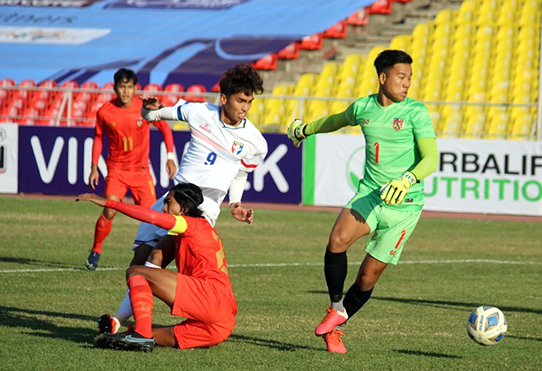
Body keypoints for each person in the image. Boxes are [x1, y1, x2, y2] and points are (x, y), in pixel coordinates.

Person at [97, 63, 267, 335]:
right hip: (171, 198)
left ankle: (129, 325)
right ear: (223, 98)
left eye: (249, 101)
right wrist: (148, 109)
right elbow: (151, 116)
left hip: (202, 211)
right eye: (240, 100)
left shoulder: (255, 142)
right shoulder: (198, 111)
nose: (245, 107)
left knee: (157, 256)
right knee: (137, 263)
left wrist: (235, 203)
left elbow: (241, 173)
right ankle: (126, 320)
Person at [287, 50, 439, 353]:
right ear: (383, 78)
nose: (407, 83)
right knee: (337, 241)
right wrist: (305, 130)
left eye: (410, 77)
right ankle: (334, 308)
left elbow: (431, 158)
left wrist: (407, 179)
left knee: (367, 278)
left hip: (405, 207)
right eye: (401, 76)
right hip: (370, 194)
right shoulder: (364, 108)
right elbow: (336, 120)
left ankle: (338, 325)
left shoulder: (416, 112)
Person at [78, 183, 236, 351]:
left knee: (135, 272)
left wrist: (107, 203)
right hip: (219, 326)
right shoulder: (191, 231)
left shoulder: (190, 224)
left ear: (185, 207)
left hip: (211, 298)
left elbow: (152, 218)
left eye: (168, 203)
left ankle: (142, 333)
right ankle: (131, 332)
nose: (164, 208)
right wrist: (118, 320)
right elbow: (155, 258)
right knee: (136, 335)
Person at [86, 68, 177, 270]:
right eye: (121, 86)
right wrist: (94, 167)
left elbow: (165, 129)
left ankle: (153, 259)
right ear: (115, 88)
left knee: (153, 220)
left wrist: (170, 157)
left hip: (141, 171)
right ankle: (96, 249)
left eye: (129, 87)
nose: (125, 91)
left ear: (135, 88)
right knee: (110, 210)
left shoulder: (143, 108)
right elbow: (98, 138)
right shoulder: (104, 112)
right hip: (117, 170)